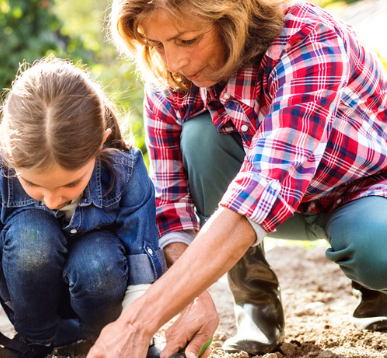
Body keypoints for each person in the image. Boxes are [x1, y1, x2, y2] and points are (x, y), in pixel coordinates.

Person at [87, 0, 387, 357]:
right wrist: (193, 298)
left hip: (362, 192)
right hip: (273, 208)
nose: (172, 62)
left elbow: (264, 187)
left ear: (232, 16)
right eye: (157, 44)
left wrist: (137, 323)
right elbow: (172, 207)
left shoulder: (309, 38)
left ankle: (375, 288)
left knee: (376, 249)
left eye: (186, 40)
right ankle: (253, 296)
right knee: (198, 138)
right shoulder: (172, 75)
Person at [0, 58, 167, 358]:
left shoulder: (127, 173)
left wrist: (133, 337)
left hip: (107, 312)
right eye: (33, 184)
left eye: (70, 184)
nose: (53, 200)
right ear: (7, 152)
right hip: (32, 311)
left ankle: (100, 344)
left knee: (97, 258)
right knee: (30, 234)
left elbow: (142, 272)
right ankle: (35, 345)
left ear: (100, 144)